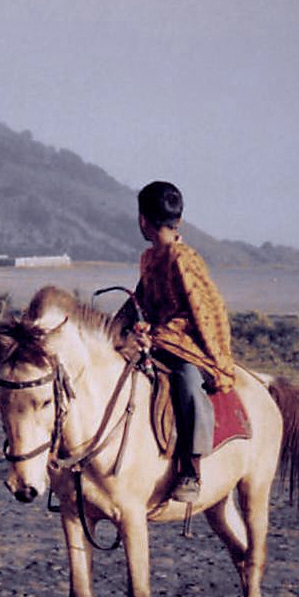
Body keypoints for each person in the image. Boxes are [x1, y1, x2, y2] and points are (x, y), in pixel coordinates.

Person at [115, 181, 235, 502]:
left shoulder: (185, 259)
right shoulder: (150, 259)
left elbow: (204, 312)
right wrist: (121, 328)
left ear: (143, 220)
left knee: (186, 380)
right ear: (177, 219)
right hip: (157, 340)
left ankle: (191, 469)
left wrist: (158, 335)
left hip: (191, 346)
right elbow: (139, 300)